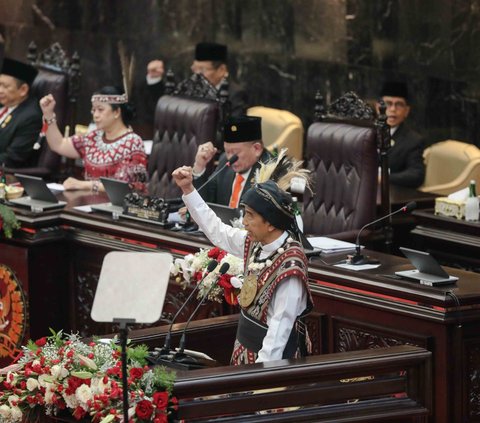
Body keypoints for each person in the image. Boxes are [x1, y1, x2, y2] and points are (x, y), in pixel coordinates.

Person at [172, 165, 313, 364]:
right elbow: (217, 231)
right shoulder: (255, 243)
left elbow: (278, 332)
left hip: (269, 365)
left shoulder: (290, 265)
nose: (244, 222)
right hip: (243, 354)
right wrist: (188, 190)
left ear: (271, 222)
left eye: (250, 215)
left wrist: (257, 381)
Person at [39, 86, 147, 192]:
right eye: (94, 110)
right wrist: (48, 114)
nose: (95, 115)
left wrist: (84, 185)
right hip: (87, 204)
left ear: (117, 112)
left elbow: (127, 186)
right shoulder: (93, 137)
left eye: (100, 110)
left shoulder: (133, 142)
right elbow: (58, 145)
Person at [147, 42, 248, 118]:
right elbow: (168, 108)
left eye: (202, 69)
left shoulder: (236, 93)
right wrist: (155, 79)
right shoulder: (190, 87)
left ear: (221, 70)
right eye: (195, 68)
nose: (197, 74)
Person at [192, 115, 271, 206]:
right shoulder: (225, 161)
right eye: (227, 151)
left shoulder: (271, 171)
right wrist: (199, 166)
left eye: (235, 152)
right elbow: (206, 200)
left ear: (257, 149)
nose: (230, 158)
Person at [378, 81, 425, 188]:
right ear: (378, 107)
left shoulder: (413, 140)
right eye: (388, 103)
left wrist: (383, 178)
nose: (393, 109)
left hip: (393, 195)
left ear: (406, 111)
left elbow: (416, 175)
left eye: (399, 104)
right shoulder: (366, 133)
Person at [0, 57, 42, 168]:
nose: (0, 90)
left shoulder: (31, 117)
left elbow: (12, 158)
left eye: (5, 86)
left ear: (23, 90)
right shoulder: (3, 104)